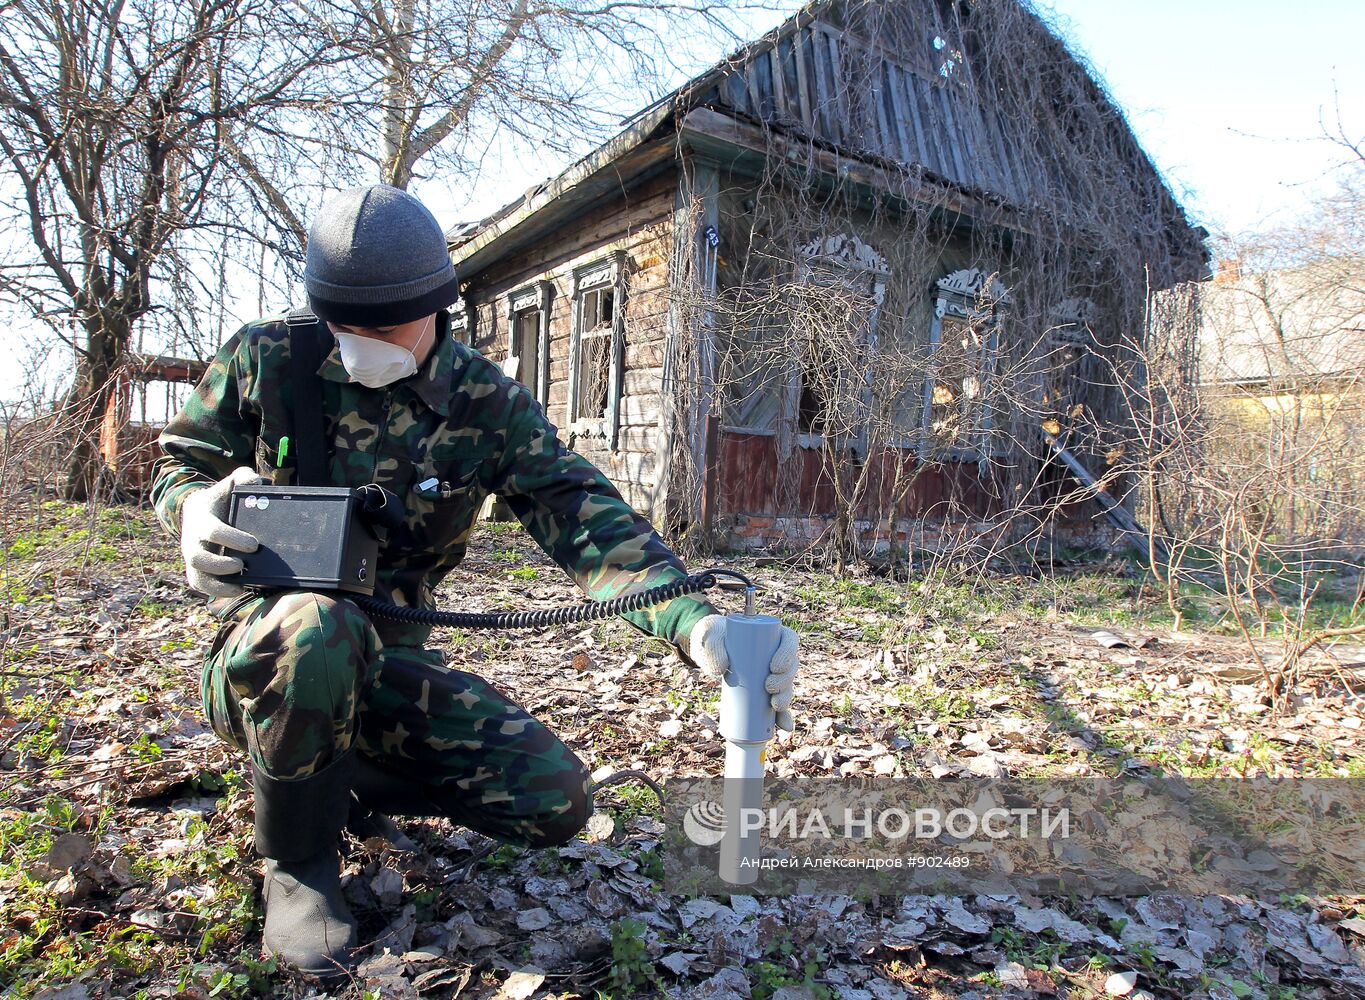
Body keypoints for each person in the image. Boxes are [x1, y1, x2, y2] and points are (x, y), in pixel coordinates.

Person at [151, 184, 799, 982]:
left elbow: (581, 513)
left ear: (436, 305)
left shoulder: (484, 403)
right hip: (268, 657)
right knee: (316, 624)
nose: (360, 343)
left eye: (383, 325)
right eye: (342, 324)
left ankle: (313, 774)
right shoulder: (267, 359)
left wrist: (694, 625)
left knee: (554, 799)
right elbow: (182, 461)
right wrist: (190, 511)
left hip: (388, 668)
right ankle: (298, 862)